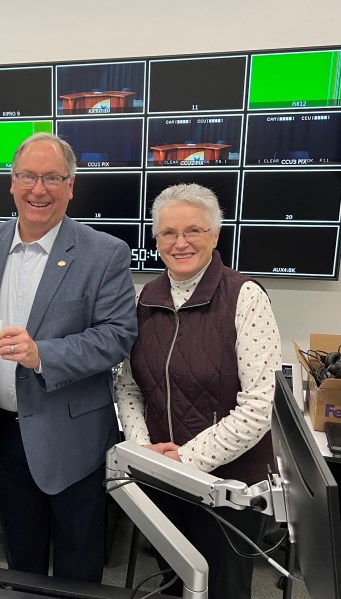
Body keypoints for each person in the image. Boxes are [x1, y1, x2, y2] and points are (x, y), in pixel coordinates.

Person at [0, 133, 138, 583]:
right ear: (12, 182)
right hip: (0, 434)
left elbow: (118, 336)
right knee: (21, 561)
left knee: (79, 566)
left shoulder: (104, 253)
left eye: (52, 178)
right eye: (28, 177)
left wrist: (44, 354)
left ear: (71, 185)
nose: (38, 190)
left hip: (71, 435)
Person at [114, 183, 282, 599]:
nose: (180, 242)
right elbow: (129, 387)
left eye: (193, 231)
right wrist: (142, 449)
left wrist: (186, 461)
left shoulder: (245, 297)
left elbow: (259, 407)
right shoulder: (145, 299)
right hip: (162, 478)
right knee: (171, 581)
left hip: (227, 486)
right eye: (168, 233)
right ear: (155, 240)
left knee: (223, 587)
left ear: (215, 235)